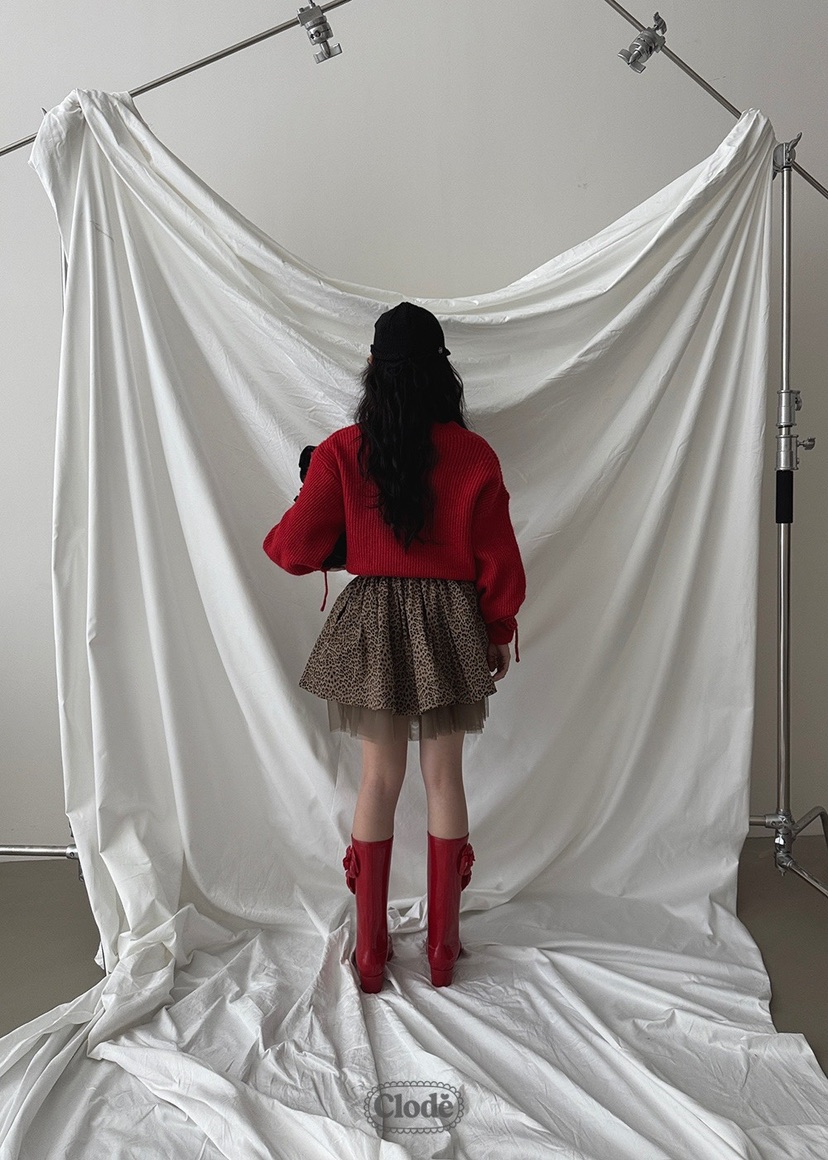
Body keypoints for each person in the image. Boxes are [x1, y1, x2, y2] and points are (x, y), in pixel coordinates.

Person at [263, 302, 526, 993]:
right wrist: (497, 629)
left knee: (377, 781)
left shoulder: (343, 452)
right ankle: (442, 949)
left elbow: (293, 549)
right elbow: (499, 559)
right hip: (451, 624)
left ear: (373, 368)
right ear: (443, 372)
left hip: (375, 624)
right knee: (446, 779)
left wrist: (315, 488)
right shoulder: (474, 456)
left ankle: (372, 954)